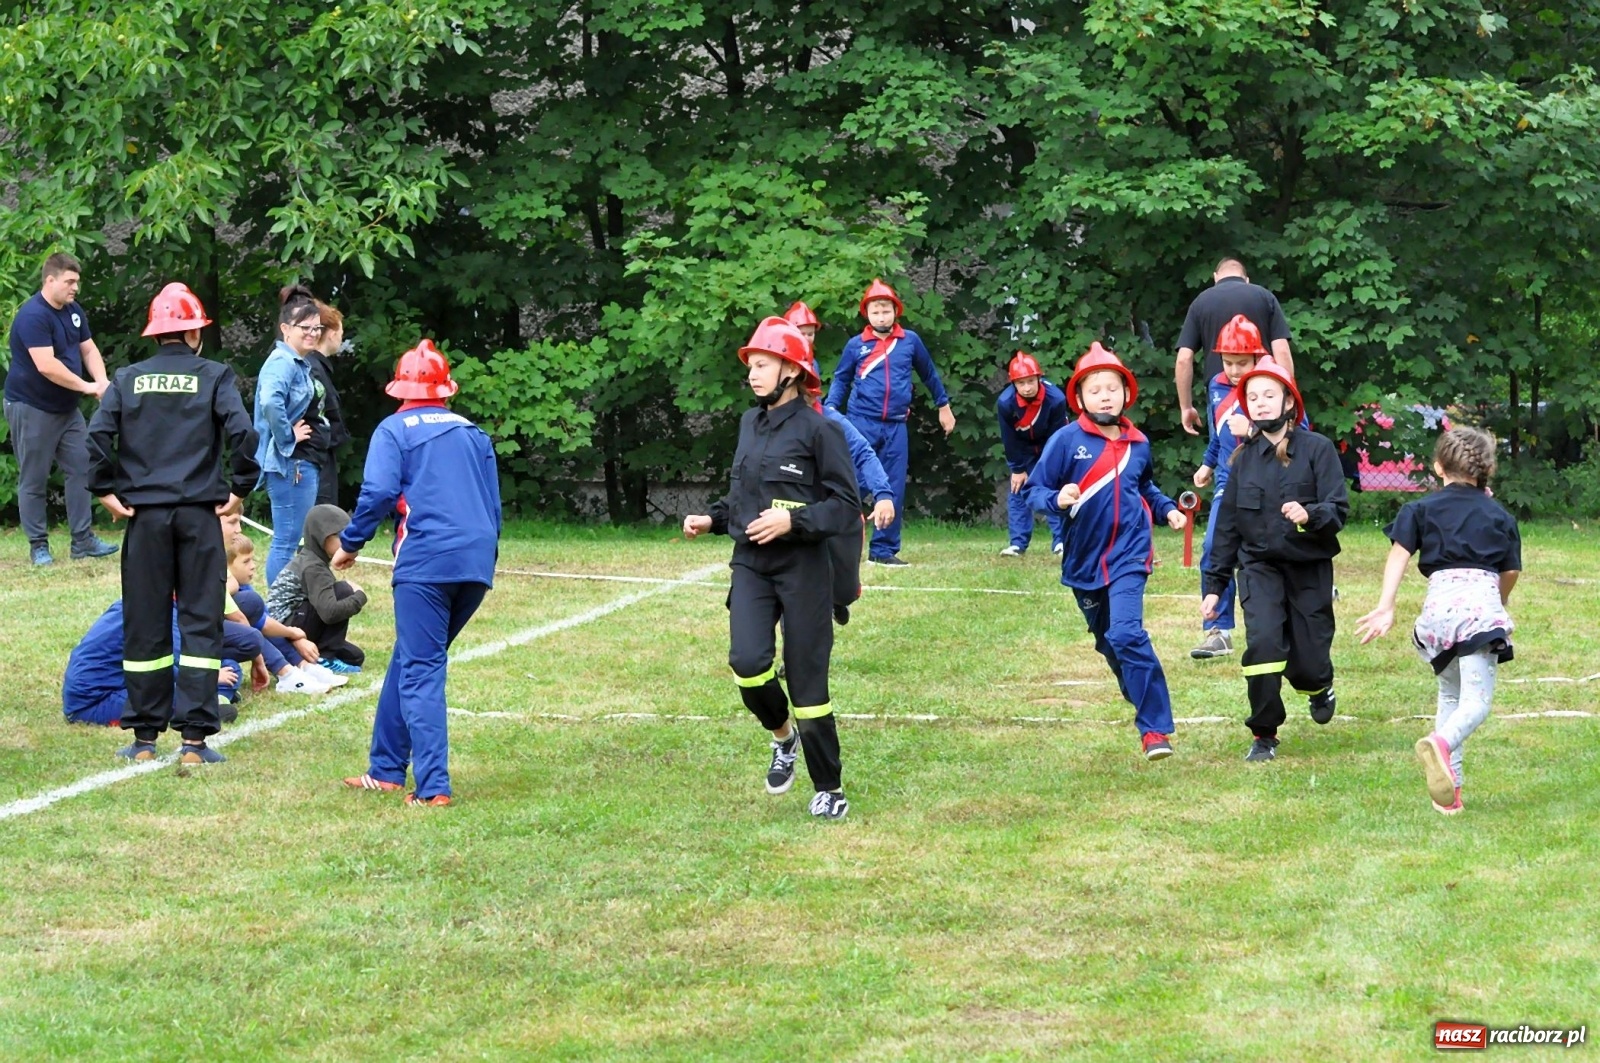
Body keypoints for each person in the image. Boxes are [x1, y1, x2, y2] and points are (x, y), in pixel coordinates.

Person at [684, 317, 860, 819]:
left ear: (791, 370)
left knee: (807, 683)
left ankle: (829, 787)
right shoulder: (748, 424)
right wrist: (712, 518)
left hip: (804, 567)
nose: (752, 375)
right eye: (752, 366)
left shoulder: (821, 429)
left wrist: (792, 521)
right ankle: (784, 739)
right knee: (747, 663)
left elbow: (845, 506)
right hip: (752, 564)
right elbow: (742, 495)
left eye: (762, 365)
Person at [85, 282, 259, 765]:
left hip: (145, 520)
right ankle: (194, 743)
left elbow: (97, 437)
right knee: (202, 624)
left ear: (156, 334)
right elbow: (244, 433)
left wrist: (105, 491)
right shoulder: (215, 375)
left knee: (145, 623)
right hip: (201, 517)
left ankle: (143, 740)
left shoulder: (127, 378)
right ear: (195, 333)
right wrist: (240, 487)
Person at [335, 339, 501, 807]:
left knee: (422, 669)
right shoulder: (474, 433)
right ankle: (385, 769)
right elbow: (492, 506)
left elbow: (379, 491)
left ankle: (433, 789)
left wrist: (350, 543)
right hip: (476, 560)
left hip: (426, 561)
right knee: (412, 657)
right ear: (446, 390)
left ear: (400, 389)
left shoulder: (394, 430)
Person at [1026, 343, 1187, 762]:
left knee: (1127, 633)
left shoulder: (1139, 443)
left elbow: (1145, 488)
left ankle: (1154, 730)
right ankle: (1137, 690)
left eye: (1112, 388)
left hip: (1130, 553)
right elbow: (1034, 492)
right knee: (1108, 642)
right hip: (1083, 559)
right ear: (1079, 398)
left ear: (1125, 394)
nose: (1105, 396)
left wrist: (1166, 510)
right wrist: (1057, 498)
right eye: (1095, 389)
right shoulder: (1065, 441)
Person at [1355, 428, 1520, 815]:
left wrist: (1386, 606)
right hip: (1477, 612)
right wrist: (1499, 603)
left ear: (1437, 467)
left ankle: (1448, 795)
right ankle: (1441, 743)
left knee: (1450, 695)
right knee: (1476, 703)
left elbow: (1398, 556)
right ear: (1487, 470)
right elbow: (1510, 571)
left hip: (1436, 616)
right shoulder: (1500, 515)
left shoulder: (1419, 509)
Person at [1202, 356, 1348, 762]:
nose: (1261, 402)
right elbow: (1227, 528)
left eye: (1269, 395)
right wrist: (1215, 587)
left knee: (1308, 663)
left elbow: (1338, 508)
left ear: (1289, 402)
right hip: (1259, 569)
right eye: (1252, 397)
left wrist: (1310, 514)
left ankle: (1319, 686)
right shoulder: (1242, 459)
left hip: (1308, 569)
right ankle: (1264, 733)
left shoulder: (1317, 450)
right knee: (1264, 644)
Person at [823, 279, 955, 567]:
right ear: (866, 315)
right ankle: (830, 539)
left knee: (893, 486)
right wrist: (831, 408)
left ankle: (883, 550)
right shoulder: (855, 345)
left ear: (896, 311)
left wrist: (943, 406)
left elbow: (929, 373)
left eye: (886, 310)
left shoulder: (910, 341)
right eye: (875, 312)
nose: (881, 316)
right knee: (852, 484)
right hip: (860, 424)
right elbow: (842, 378)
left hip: (896, 426)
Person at [4, 252, 119, 565]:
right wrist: (87, 387)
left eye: (77, 282)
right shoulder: (32, 316)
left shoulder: (73, 311)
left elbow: (88, 348)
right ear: (50, 280)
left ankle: (82, 541)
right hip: (31, 406)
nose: (75, 288)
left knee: (82, 468)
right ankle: (38, 546)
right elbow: (47, 366)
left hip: (66, 410)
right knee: (34, 478)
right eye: (69, 282)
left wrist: (102, 381)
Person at [785, 302, 894, 624]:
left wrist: (884, 494)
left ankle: (840, 597)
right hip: (794, 515)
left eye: (809, 334)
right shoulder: (765, 423)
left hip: (831, 508)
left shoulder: (828, 421)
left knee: (843, 586)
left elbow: (862, 452)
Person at [1190, 315, 1269, 659]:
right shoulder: (1216, 386)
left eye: (1242, 362)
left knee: (1275, 550)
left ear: (1257, 357)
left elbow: (1299, 432)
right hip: (1229, 480)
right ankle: (1218, 630)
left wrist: (1252, 428)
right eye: (1228, 362)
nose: (1235, 370)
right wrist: (1208, 463)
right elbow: (1217, 433)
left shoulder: (1270, 383)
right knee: (1213, 546)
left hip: (1269, 480)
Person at [63, 600, 241, 727]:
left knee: (230, 666)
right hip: (94, 702)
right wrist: (209, 678)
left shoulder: (137, 602)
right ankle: (207, 704)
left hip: (124, 682)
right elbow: (175, 664)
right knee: (172, 698)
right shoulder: (158, 611)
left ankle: (215, 698)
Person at [254, 284, 328, 584]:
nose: (312, 333)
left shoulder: (297, 362)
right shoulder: (282, 362)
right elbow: (270, 402)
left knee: (291, 538)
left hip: (298, 464)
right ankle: (279, 609)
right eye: (305, 328)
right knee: (286, 540)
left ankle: (285, 606)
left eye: (317, 328)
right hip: (291, 465)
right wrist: (287, 437)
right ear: (285, 328)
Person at [1175, 258, 1293, 436]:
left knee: (1225, 453)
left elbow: (1184, 359)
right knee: (1268, 450)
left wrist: (1186, 406)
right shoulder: (1264, 296)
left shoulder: (1201, 302)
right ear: (1246, 279)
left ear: (1215, 277)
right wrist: (1288, 396)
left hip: (1220, 395)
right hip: (1263, 394)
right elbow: (1282, 351)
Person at [267, 504, 369, 670]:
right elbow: (330, 613)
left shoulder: (312, 560)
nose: (348, 544)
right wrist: (359, 597)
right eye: (342, 537)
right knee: (343, 590)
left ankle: (323, 653)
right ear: (323, 537)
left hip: (293, 625)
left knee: (355, 657)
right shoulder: (313, 567)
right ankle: (325, 658)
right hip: (285, 633)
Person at [995, 351, 1068, 558]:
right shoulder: (1005, 403)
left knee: (1054, 490)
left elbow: (1058, 436)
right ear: (1013, 385)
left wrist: (1052, 466)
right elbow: (1009, 438)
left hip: (1051, 446)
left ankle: (1061, 541)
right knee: (1018, 490)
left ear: (1039, 378)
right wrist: (1017, 469)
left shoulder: (1056, 400)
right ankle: (1018, 544)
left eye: (1030, 381)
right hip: (1023, 448)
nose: (1026, 388)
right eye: (1020, 383)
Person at [308, 300, 350, 507]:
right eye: (341, 331)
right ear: (332, 333)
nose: (342, 337)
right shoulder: (313, 368)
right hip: (317, 457)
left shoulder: (316, 366)